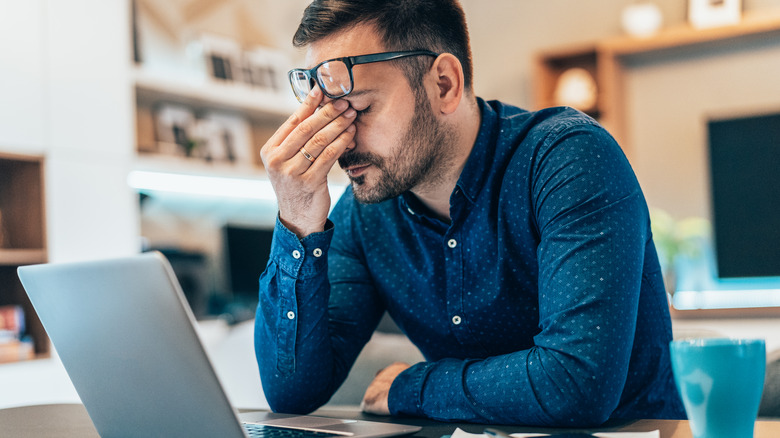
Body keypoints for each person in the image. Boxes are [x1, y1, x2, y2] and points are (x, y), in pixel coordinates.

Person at [255, 0, 685, 426]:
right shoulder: (367, 214)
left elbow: (575, 384)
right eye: (329, 115)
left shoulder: (569, 160)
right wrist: (297, 221)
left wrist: (415, 385)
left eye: (362, 109)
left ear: (444, 84)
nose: (343, 142)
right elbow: (292, 393)